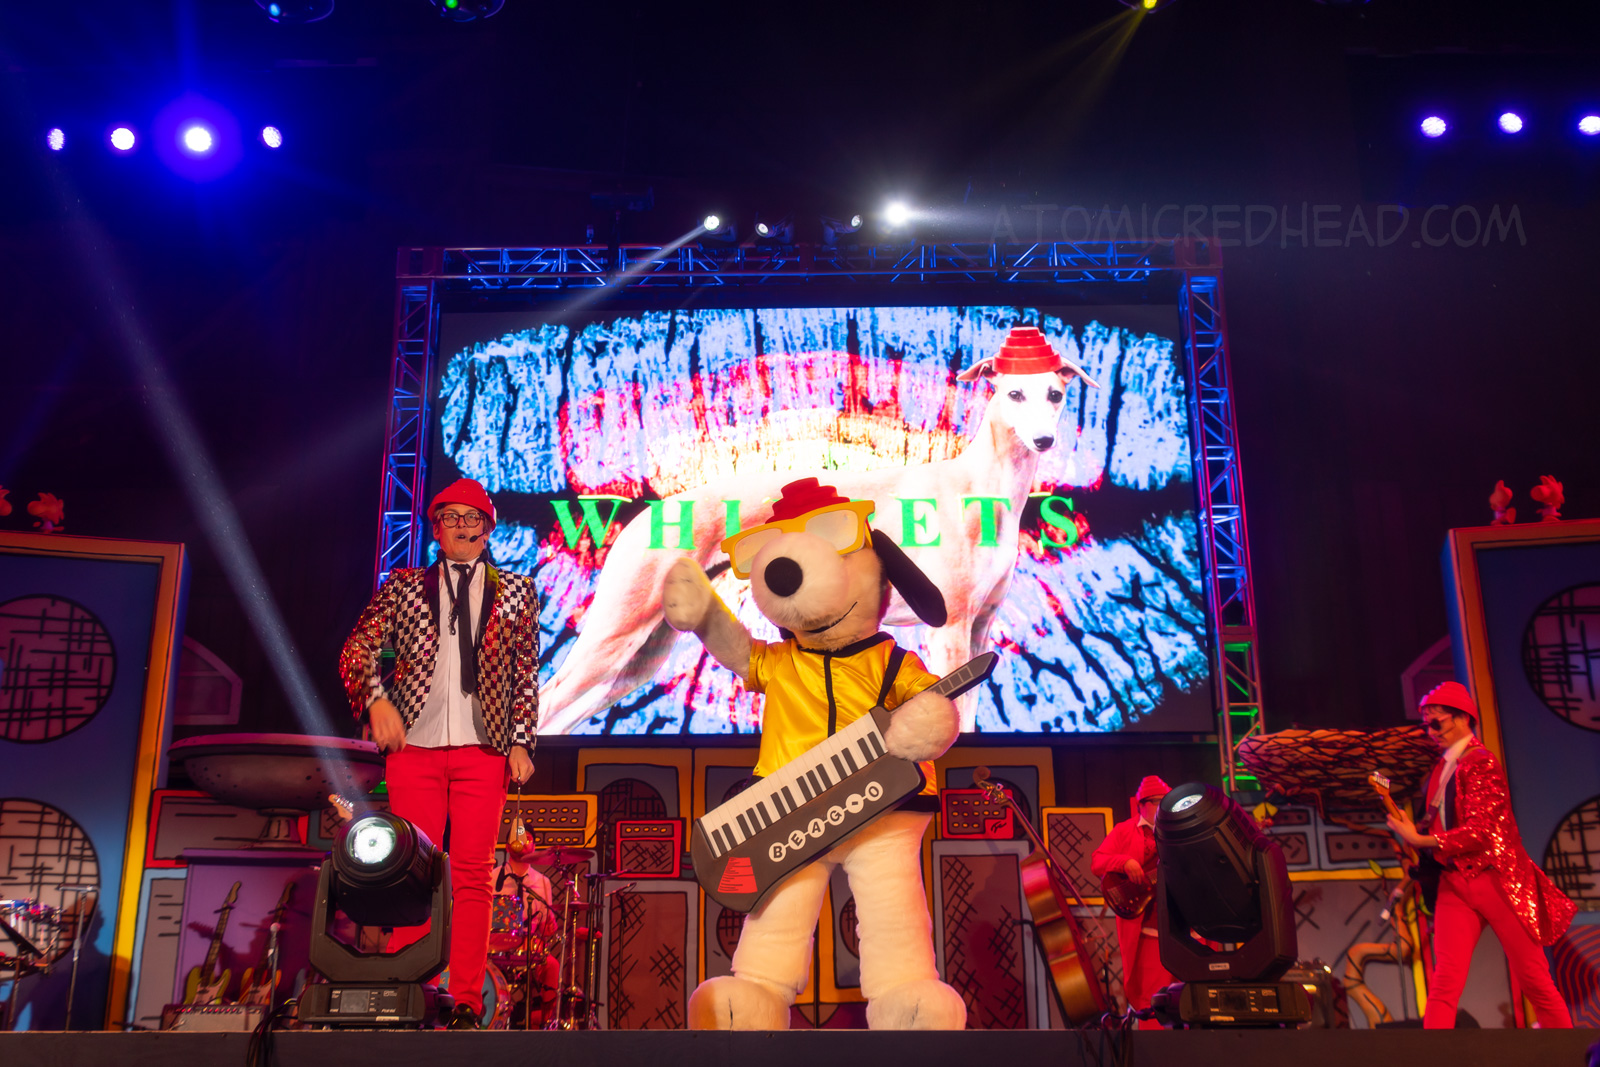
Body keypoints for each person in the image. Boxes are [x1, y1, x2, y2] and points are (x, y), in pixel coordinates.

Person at [340, 477, 541, 1030]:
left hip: (485, 749)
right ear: (435, 528)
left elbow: (525, 671)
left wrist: (522, 738)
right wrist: (375, 701)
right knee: (409, 872)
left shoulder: (520, 592)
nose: (460, 526)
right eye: (449, 516)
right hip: (415, 747)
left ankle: (467, 999)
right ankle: (412, 990)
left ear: (488, 527)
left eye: (470, 517)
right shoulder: (402, 586)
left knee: (474, 875)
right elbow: (357, 649)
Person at [1385, 681, 1575, 1029]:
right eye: (1426, 723)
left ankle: (1574, 1058)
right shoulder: (1444, 768)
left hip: (1497, 880)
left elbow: (1481, 831)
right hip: (1455, 883)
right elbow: (1442, 825)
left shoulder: (1481, 763)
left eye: (1436, 722)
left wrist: (1421, 839)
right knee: (1444, 982)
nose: (1430, 731)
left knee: (1534, 980)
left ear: (1461, 719)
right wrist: (1412, 831)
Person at [1090, 775, 1173, 1029]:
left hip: (1185, 927)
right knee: (1154, 1001)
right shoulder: (1125, 831)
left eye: (1167, 801)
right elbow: (1097, 861)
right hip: (1149, 930)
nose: (1164, 807)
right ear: (1142, 804)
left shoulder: (1180, 828)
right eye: (1159, 802)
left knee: (1190, 999)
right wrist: (1125, 862)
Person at [490, 830, 561, 1026]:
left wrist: (549, 924)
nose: (521, 842)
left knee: (552, 965)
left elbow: (548, 930)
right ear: (507, 846)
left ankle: (544, 1022)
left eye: (527, 838)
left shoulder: (543, 883)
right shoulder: (491, 878)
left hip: (529, 947)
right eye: (516, 837)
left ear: (534, 846)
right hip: (494, 946)